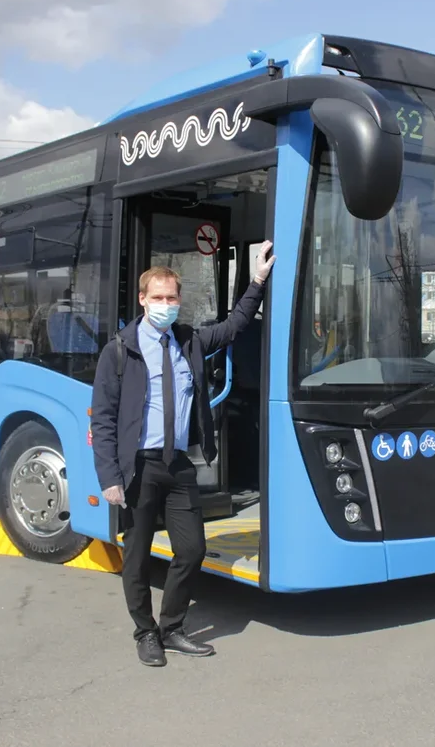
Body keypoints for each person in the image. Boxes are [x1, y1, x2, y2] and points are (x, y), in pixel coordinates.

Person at [90, 241, 276, 667]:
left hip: (177, 464)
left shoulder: (189, 340)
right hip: (136, 467)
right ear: (143, 300)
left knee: (191, 550)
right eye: (157, 297)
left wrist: (258, 280)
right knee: (136, 558)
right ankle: (145, 632)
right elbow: (102, 419)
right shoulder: (119, 350)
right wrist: (109, 477)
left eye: (172, 298)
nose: (166, 304)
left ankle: (171, 627)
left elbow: (236, 325)